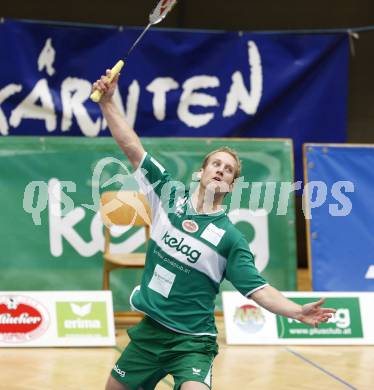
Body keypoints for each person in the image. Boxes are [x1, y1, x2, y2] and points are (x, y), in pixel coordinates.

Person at [93, 71, 336, 390]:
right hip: (150, 332)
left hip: (193, 343)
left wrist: (297, 311)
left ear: (231, 185)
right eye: (216, 164)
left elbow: (258, 289)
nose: (221, 169)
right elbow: (132, 147)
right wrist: (108, 102)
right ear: (201, 173)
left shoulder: (230, 239)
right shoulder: (168, 195)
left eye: (229, 169)